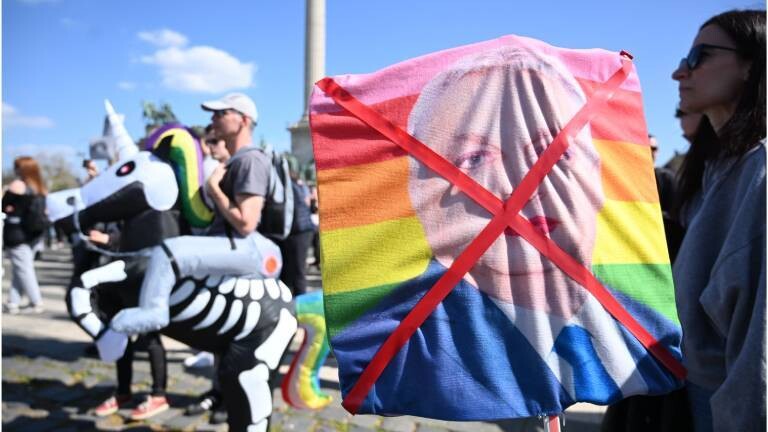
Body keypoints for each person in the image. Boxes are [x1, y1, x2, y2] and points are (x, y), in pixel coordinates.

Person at [331, 46, 680, 422]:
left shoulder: (644, 330)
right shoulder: (399, 350)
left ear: (597, 175)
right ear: (421, 196)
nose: (524, 187)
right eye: (475, 159)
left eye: (554, 153)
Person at [671, 9, 765, 432]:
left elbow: (760, 346)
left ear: (751, 65)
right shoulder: (710, 170)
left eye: (698, 56)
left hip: (730, 406)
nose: (678, 72)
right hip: (692, 394)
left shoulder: (761, 171)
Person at [2, 156, 47, 314]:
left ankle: (36, 302)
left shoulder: (17, 185)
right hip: (33, 234)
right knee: (19, 269)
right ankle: (13, 302)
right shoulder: (39, 188)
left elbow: (3, 205)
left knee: (24, 269)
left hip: (16, 233)